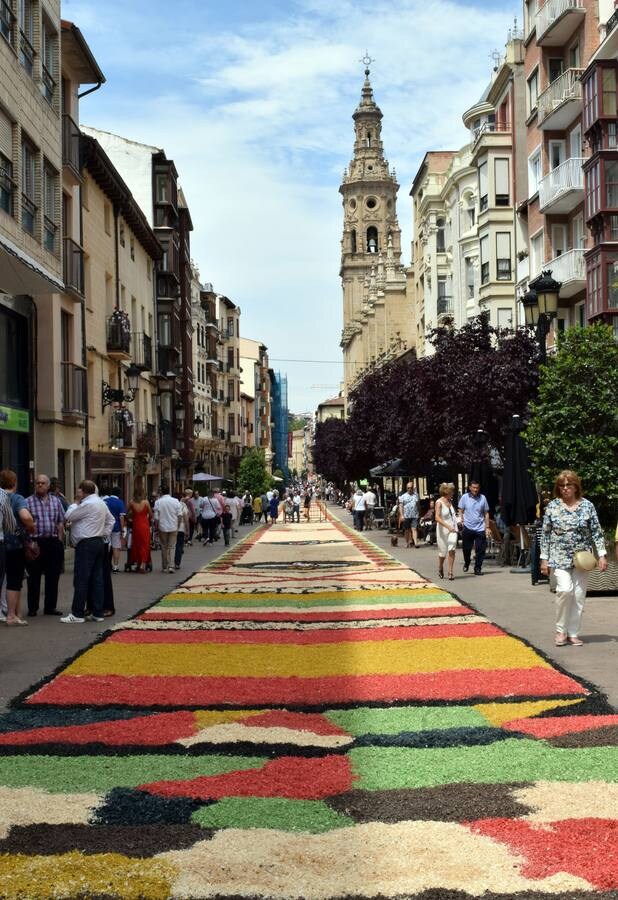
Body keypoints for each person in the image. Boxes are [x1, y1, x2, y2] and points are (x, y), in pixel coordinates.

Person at [540, 470, 607, 647]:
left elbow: (597, 532)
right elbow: (545, 535)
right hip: (559, 556)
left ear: (576, 487)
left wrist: (601, 555)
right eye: (562, 486)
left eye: (569, 485)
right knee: (564, 590)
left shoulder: (587, 506)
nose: (565, 489)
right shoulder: (553, 506)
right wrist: (544, 559)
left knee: (578, 595)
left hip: (582, 558)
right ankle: (560, 630)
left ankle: (573, 632)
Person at [62, 480, 114, 623]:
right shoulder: (101, 503)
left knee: (82, 578)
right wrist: (104, 533)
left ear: (82, 491)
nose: (77, 493)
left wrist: (75, 503)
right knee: (97, 579)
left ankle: (77, 613)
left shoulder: (87, 504)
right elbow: (111, 520)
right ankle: (97, 612)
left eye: (79, 490)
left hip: (86, 543)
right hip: (98, 542)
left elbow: (69, 516)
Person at [26, 473, 65, 615]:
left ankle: (50, 607)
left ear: (48, 486)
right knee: (33, 577)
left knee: (53, 576)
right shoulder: (28, 502)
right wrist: (29, 542)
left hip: (53, 542)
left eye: (43, 483)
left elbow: (61, 520)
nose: (40, 485)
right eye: (38, 483)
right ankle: (32, 608)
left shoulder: (56, 501)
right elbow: (23, 523)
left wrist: (59, 538)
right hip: (36, 543)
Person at [0, 469, 35, 626]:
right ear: (15, 482)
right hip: (13, 543)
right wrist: (31, 526)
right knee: (14, 579)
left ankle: (13, 612)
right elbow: (25, 517)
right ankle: (12, 615)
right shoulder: (15, 498)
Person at [458, 480, 490, 575]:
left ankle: (477, 568)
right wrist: (461, 520)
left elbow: (486, 513)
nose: (475, 490)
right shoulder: (464, 497)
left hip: (480, 528)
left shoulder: (483, 498)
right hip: (467, 527)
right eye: (474, 488)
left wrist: (487, 527)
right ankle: (467, 562)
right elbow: (460, 510)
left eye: (477, 488)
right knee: (466, 549)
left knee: (481, 549)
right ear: (470, 488)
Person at [153, 485, 182, 573]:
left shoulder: (158, 502)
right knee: (172, 547)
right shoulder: (175, 501)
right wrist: (178, 525)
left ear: (161, 492)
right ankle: (171, 566)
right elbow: (179, 515)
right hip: (173, 526)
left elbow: (156, 518)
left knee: (163, 546)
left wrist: (156, 528)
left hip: (162, 527)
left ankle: (165, 566)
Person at [435, 483, 459, 580]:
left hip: (453, 529)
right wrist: (447, 526)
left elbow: (451, 516)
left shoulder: (450, 502)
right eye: (452, 491)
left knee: (452, 549)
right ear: (446, 492)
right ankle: (440, 567)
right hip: (442, 529)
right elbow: (437, 517)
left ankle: (450, 571)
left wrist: (458, 520)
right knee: (442, 552)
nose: (453, 493)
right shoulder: (439, 502)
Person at [127, 488, 152, 573]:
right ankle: (142, 564)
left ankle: (138, 563)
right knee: (145, 545)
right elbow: (151, 514)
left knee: (137, 544)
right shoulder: (146, 502)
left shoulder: (131, 502)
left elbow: (126, 513)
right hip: (145, 525)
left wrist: (131, 518)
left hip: (136, 525)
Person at [103, 487, 126, 573]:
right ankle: (115, 567)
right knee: (116, 547)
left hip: (106, 526)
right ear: (119, 494)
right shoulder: (120, 502)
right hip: (116, 527)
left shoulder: (105, 501)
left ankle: (106, 565)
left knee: (107, 546)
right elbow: (121, 517)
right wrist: (122, 529)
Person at [398, 482, 420, 548]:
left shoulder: (416, 495)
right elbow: (401, 506)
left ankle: (416, 543)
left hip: (414, 515)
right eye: (408, 488)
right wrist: (401, 515)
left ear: (413, 488)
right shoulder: (403, 496)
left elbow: (418, 505)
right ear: (406, 488)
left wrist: (419, 512)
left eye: (411, 488)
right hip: (406, 515)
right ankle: (407, 542)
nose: (409, 489)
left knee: (414, 528)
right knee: (407, 530)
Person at [174, 493, 190, 570]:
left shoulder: (172, 504)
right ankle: (177, 563)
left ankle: (168, 563)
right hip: (181, 528)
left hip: (171, 528)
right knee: (179, 546)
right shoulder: (183, 505)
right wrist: (187, 530)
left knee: (171, 546)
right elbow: (186, 518)